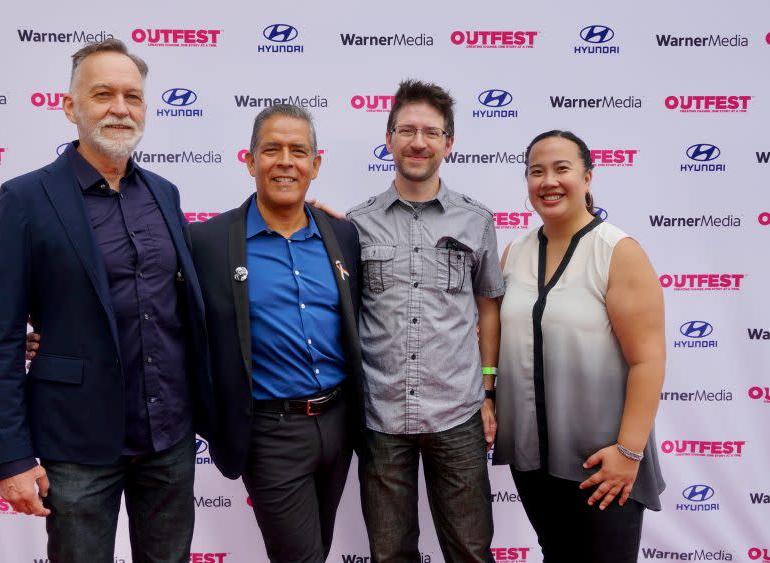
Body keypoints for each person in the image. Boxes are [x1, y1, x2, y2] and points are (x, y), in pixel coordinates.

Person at [0, 38, 214, 562]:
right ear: (70, 107)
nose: (120, 108)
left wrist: (306, 215)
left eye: (132, 96)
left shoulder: (165, 192)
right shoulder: (26, 198)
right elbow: (1, 337)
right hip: (76, 447)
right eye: (103, 94)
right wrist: (11, 456)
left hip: (169, 438)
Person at [188, 104, 365, 563]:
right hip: (269, 432)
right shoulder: (207, 243)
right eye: (272, 150)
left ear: (315, 165)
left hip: (339, 421)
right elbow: (163, 319)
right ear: (249, 161)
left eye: (298, 151)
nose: (285, 161)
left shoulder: (343, 237)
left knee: (318, 549)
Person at [346, 80, 502, 563]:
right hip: (381, 417)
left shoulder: (477, 221)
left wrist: (489, 391)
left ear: (448, 143)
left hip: (458, 413)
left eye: (431, 132)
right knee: (390, 553)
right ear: (389, 138)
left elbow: (489, 304)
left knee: (470, 551)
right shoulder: (355, 224)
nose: (419, 141)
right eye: (407, 130)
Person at [493, 130, 666, 563]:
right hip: (532, 458)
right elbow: (497, 339)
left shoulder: (617, 251)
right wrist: (488, 393)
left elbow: (648, 360)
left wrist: (629, 453)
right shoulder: (515, 251)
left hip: (603, 462)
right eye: (536, 172)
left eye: (561, 169)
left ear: (588, 177)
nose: (548, 181)